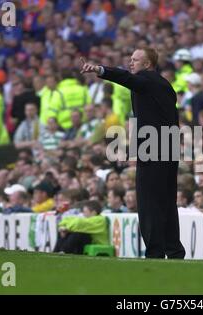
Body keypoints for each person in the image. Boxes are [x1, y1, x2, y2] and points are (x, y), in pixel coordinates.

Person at [80, 48, 186, 259]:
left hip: (153, 150)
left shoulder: (146, 80)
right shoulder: (164, 85)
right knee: (166, 202)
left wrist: (100, 70)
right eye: (130, 59)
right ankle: (174, 251)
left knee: (149, 203)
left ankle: (155, 252)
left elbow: (126, 78)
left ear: (148, 65)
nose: (131, 63)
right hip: (167, 149)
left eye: (135, 60)